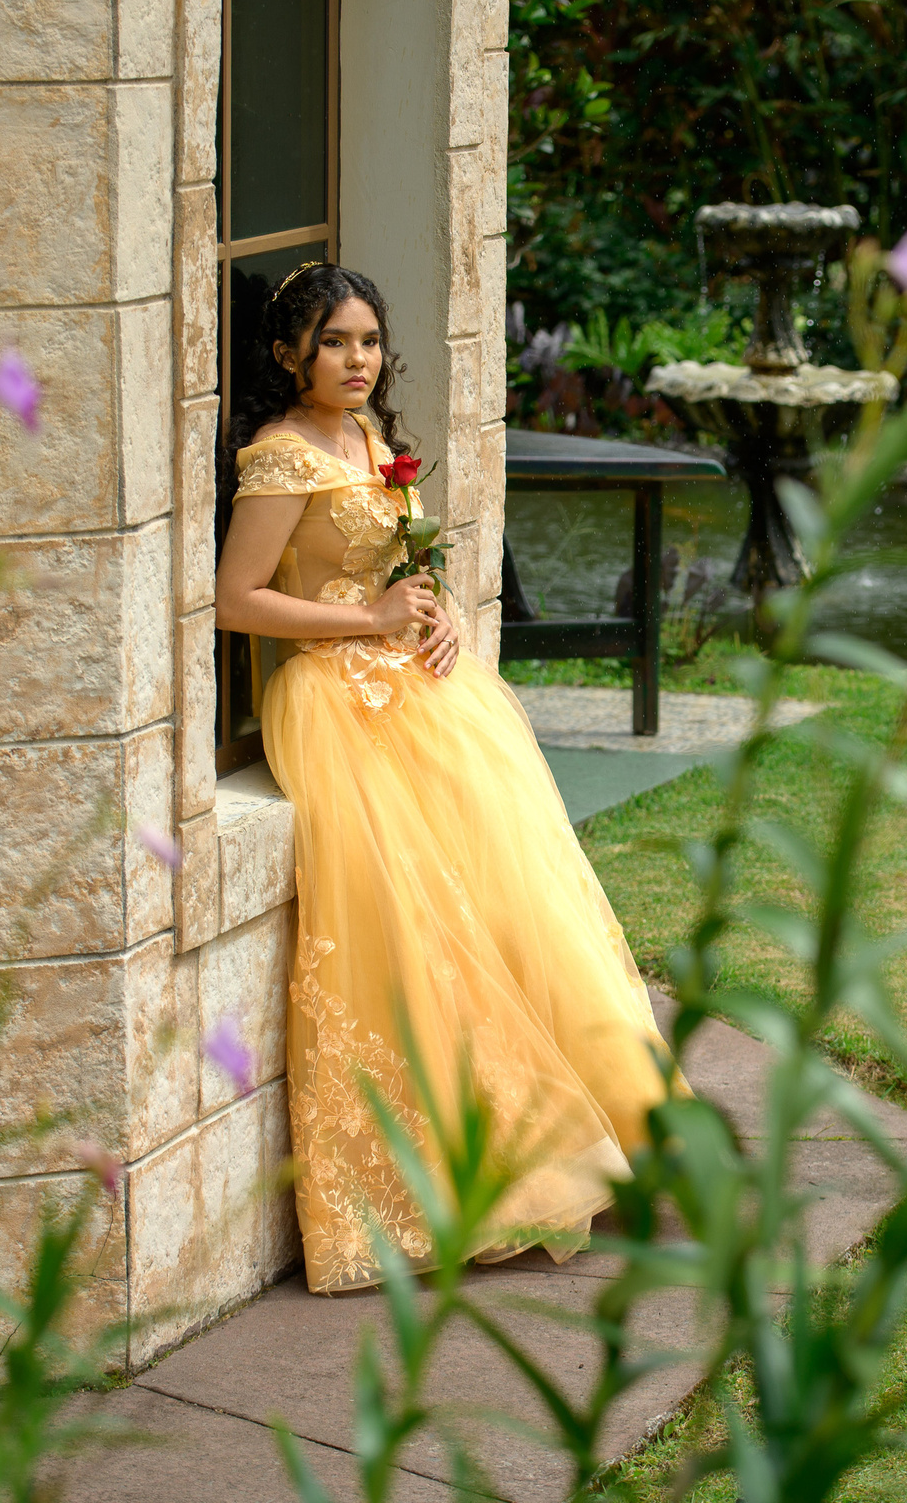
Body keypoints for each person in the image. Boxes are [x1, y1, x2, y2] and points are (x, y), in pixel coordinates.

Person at [212, 262, 673, 1294]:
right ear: (289, 352)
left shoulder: (377, 443)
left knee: (519, 898)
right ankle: (465, 1165)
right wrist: (365, 622)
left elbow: (400, 574)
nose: (357, 360)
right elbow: (235, 601)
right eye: (334, 342)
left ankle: (619, 1121)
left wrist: (434, 607)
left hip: (426, 694)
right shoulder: (279, 458)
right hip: (334, 702)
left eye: (369, 342)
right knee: (415, 919)